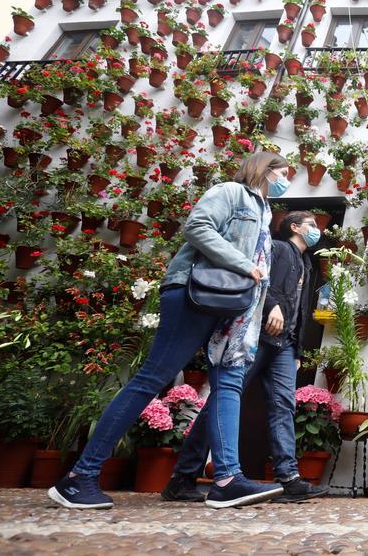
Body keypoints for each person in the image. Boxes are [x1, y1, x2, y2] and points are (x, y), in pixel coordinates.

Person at [49, 151, 289, 510]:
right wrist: (242, 264)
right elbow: (197, 227)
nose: (285, 181)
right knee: (153, 377)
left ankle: (226, 479)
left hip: (232, 306)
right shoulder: (230, 192)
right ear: (264, 170)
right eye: (283, 173)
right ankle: (78, 477)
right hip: (194, 293)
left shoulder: (264, 212)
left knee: (229, 383)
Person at [162, 210, 329, 504]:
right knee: (222, 400)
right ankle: (183, 477)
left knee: (283, 406)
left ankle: (288, 478)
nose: (317, 230)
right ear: (294, 227)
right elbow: (259, 278)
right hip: (259, 337)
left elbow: (301, 311)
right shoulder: (277, 249)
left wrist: (297, 349)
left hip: (285, 345)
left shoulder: (306, 263)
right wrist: (272, 306)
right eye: (312, 225)